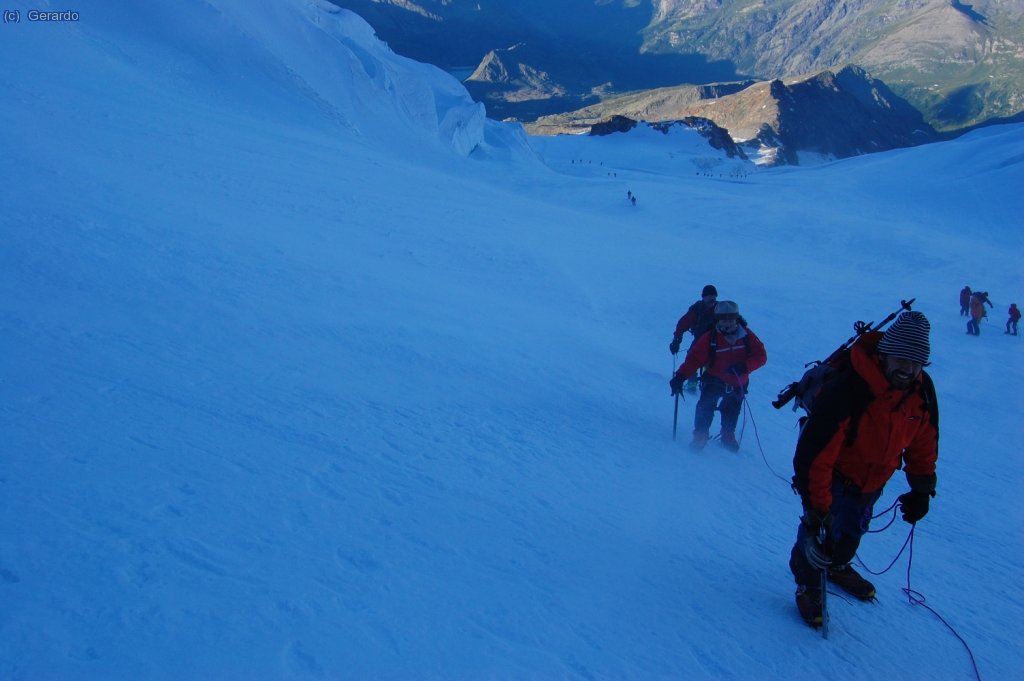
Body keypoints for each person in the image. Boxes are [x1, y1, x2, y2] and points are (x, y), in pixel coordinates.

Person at [788, 310, 938, 628]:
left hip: (873, 481)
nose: (908, 368)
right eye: (901, 359)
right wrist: (816, 510)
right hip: (833, 477)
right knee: (819, 536)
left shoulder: (921, 392)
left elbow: (924, 441)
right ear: (884, 354)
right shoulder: (849, 389)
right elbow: (814, 456)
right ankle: (809, 585)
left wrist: (921, 488)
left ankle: (839, 566)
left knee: (852, 532)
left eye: (916, 362)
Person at [669, 301, 767, 451]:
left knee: (732, 409)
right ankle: (700, 435)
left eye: (731, 320)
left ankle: (727, 434)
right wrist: (680, 376)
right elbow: (694, 360)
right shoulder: (710, 338)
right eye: (723, 320)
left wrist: (745, 366)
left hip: (738, 382)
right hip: (714, 379)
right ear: (717, 320)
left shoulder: (747, 336)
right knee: (705, 407)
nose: (727, 324)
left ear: (736, 319)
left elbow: (761, 356)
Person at [669, 285, 720, 392]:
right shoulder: (697, 309)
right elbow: (683, 323)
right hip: (700, 341)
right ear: (703, 297)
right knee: (691, 360)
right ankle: (692, 386)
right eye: (709, 297)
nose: (712, 300)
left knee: (711, 363)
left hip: (717, 341)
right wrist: (677, 339)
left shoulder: (720, 309)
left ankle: (707, 386)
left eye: (714, 297)